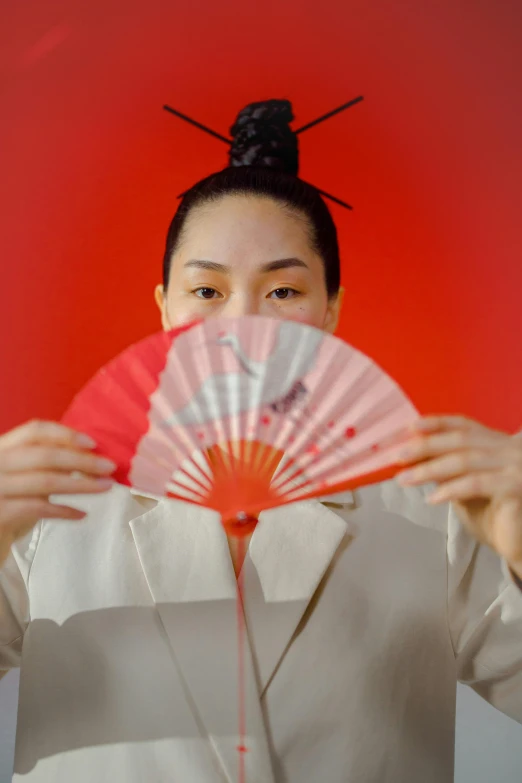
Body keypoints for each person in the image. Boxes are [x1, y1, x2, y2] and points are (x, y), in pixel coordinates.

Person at [0, 100, 521, 783]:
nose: (242, 323)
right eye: (208, 289)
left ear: (331, 310)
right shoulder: (48, 504)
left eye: (281, 290)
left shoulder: (438, 513)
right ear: (164, 308)